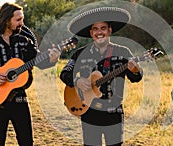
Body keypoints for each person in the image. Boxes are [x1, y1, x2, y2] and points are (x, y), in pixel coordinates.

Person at [0, 2, 60, 146]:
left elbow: (40, 62)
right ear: (6, 19)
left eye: (22, 19)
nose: (22, 23)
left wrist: (52, 59)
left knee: (26, 141)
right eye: (18, 20)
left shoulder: (24, 41)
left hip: (20, 99)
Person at [60, 7, 143, 146]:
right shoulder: (80, 54)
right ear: (91, 33)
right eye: (95, 29)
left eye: (103, 28)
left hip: (114, 113)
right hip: (89, 112)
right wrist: (77, 80)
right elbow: (65, 73)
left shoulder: (123, 52)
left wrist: (135, 69)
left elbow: (136, 78)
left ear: (110, 30)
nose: (100, 32)